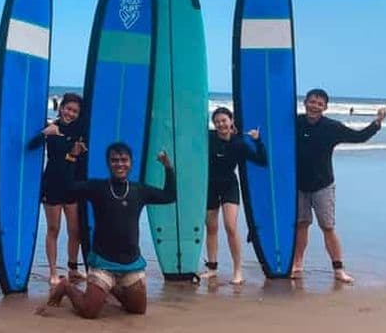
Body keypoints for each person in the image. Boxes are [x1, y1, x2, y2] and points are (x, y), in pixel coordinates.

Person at [47, 142, 176, 319]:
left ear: (131, 163)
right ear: (108, 163)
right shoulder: (97, 188)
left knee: (137, 310)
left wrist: (168, 167)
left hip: (131, 264)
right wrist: (71, 158)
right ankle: (66, 287)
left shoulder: (140, 190)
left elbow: (169, 196)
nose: (120, 164)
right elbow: (67, 189)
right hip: (103, 263)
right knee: (89, 312)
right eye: (114, 160)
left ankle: (112, 287)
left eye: (124, 160)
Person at [291, 88, 386, 283]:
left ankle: (338, 269)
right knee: (301, 225)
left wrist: (377, 123)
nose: (315, 106)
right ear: (305, 103)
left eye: (319, 103)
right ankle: (297, 264)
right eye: (312, 101)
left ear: (325, 107)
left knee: (327, 227)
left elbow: (359, 137)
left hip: (323, 186)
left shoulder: (332, 127)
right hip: (299, 185)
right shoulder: (295, 123)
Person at [202, 107, 267, 285]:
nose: (221, 124)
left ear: (231, 121)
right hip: (210, 186)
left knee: (230, 226)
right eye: (217, 121)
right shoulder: (208, 138)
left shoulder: (239, 144)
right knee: (211, 227)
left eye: (224, 120)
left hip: (229, 185)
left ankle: (238, 270)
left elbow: (262, 160)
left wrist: (258, 140)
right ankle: (212, 268)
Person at [30, 92, 88, 285]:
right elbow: (31, 146)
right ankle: (53, 272)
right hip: (52, 184)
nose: (70, 113)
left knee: (75, 230)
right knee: (53, 229)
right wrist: (44, 133)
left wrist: (74, 151)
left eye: (74, 111)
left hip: (72, 186)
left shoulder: (81, 130)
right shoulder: (52, 127)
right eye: (67, 109)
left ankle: (73, 269)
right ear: (61, 107)